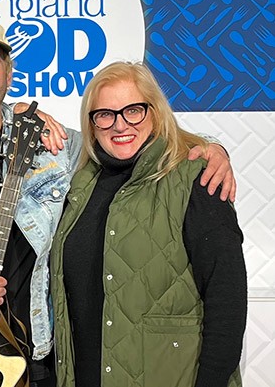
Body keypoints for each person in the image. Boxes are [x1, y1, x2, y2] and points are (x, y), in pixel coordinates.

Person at [0, 18, 236, 387]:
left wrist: (208, 149)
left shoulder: (58, 147)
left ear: (9, 76)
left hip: (28, 356)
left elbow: (129, 139)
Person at [50, 61, 246, 387]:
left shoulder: (194, 177)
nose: (119, 125)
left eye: (133, 110)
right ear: (92, 124)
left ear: (154, 112)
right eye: (105, 114)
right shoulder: (80, 184)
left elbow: (227, 300)